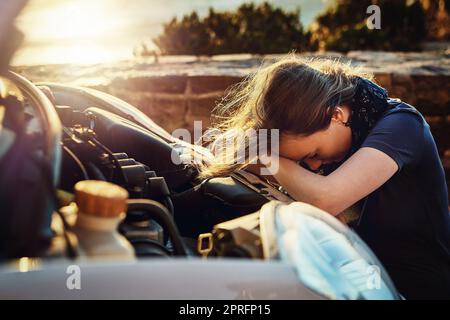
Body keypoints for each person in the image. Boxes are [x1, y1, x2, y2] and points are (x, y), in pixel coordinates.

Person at [198, 55, 450, 299]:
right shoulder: (332, 136)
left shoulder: (402, 125)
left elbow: (325, 199)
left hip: (416, 289)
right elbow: (219, 145)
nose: (312, 165)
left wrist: (266, 156)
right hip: (351, 282)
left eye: (314, 153)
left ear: (335, 115)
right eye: (301, 161)